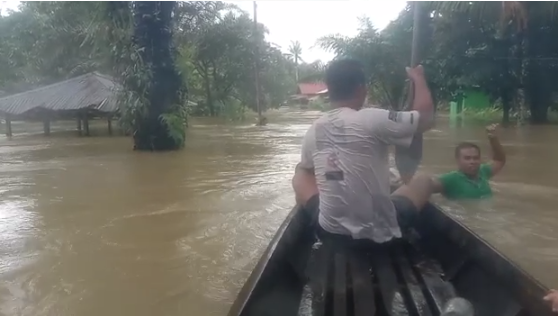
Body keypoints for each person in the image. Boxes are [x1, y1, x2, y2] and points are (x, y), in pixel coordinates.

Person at [295, 58, 435, 243]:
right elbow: (425, 118)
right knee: (424, 180)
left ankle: (309, 227)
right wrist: (418, 78)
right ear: (362, 89)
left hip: (329, 231)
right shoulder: (372, 118)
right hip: (380, 236)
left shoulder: (315, 128)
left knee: (301, 170)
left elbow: (316, 172)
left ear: (330, 90)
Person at [432, 123, 506, 200]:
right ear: (458, 160)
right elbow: (428, 186)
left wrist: (493, 138)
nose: (472, 161)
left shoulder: (483, 172)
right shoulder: (450, 179)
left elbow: (499, 160)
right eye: (467, 158)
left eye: (476, 158)